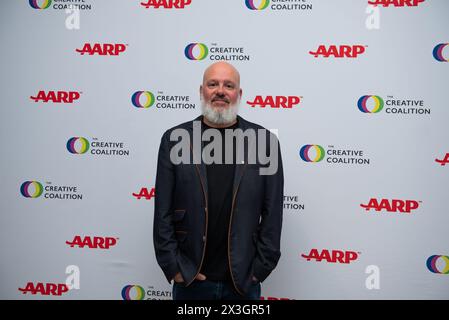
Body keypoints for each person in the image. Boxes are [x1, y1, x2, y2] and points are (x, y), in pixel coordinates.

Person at [153, 61, 284, 300]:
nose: (220, 91)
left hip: (243, 283)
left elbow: (273, 212)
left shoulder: (266, 143)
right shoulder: (174, 139)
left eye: (229, 85)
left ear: (239, 93)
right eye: (212, 84)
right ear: (201, 91)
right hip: (191, 282)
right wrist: (173, 266)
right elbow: (162, 210)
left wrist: (260, 269)